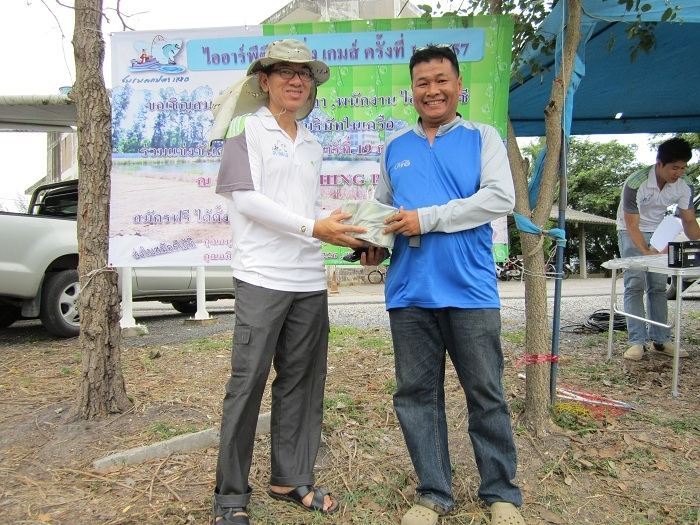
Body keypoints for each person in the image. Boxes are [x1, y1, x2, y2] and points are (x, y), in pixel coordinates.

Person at [362, 44, 524, 525]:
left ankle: (500, 494)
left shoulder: (482, 136)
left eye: (441, 80)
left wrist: (425, 219)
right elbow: (384, 215)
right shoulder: (395, 148)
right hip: (409, 292)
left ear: (458, 86)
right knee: (416, 395)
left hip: (470, 290)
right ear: (411, 91)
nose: (432, 90)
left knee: (486, 392)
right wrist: (372, 242)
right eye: (422, 83)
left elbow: (499, 197)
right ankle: (433, 494)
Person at [211, 39, 365, 525]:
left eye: (305, 74)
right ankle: (231, 497)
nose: (296, 80)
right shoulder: (245, 133)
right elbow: (248, 201)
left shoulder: (313, 142)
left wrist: (347, 231)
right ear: (265, 80)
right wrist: (312, 227)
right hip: (261, 277)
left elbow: (302, 212)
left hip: (307, 278)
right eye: (285, 72)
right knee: (247, 384)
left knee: (302, 381)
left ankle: (289, 477)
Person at [615, 137, 699, 361]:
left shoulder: (685, 185)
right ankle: (636, 342)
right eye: (674, 168)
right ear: (659, 163)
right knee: (635, 283)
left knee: (659, 285)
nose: (678, 173)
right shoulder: (636, 183)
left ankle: (661, 339)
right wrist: (645, 250)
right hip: (629, 229)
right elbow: (632, 224)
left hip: (660, 230)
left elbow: (689, 221)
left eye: (683, 168)